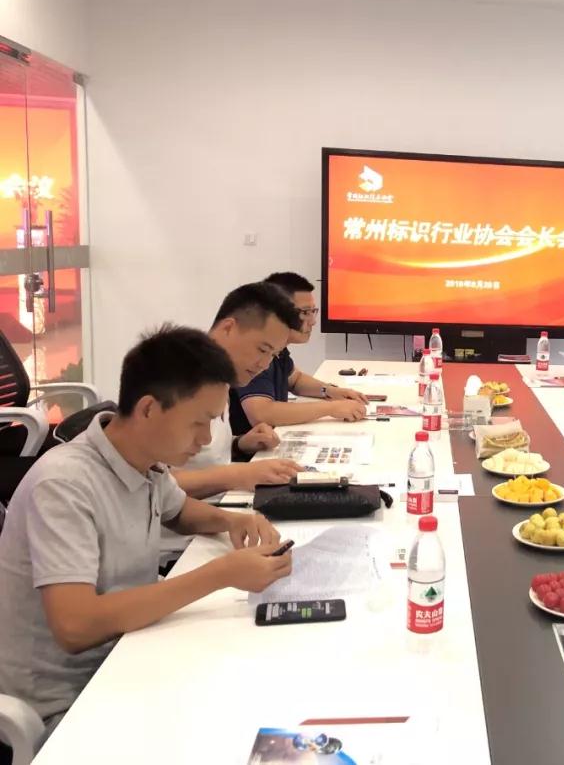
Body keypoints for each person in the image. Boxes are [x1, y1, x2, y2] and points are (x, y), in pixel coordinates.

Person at [0, 326, 293, 734]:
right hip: (69, 704)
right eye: (199, 422)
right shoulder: (63, 485)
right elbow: (76, 626)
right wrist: (221, 574)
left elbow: (179, 510)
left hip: (130, 654)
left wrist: (232, 520)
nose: (206, 438)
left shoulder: (143, 460)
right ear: (149, 409)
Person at [171, 282, 307, 499]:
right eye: (262, 349)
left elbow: (203, 460)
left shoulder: (224, 376)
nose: (264, 364)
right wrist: (237, 475)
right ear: (228, 328)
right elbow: (153, 486)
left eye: (273, 355)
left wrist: (240, 444)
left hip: (223, 502)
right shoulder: (175, 379)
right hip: (190, 517)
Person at [230, 272, 368, 434]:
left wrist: (331, 391)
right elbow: (261, 414)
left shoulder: (278, 348)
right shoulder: (256, 350)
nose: (313, 321)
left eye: (313, 312)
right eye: (305, 312)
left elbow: (295, 380)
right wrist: (331, 408)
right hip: (247, 447)